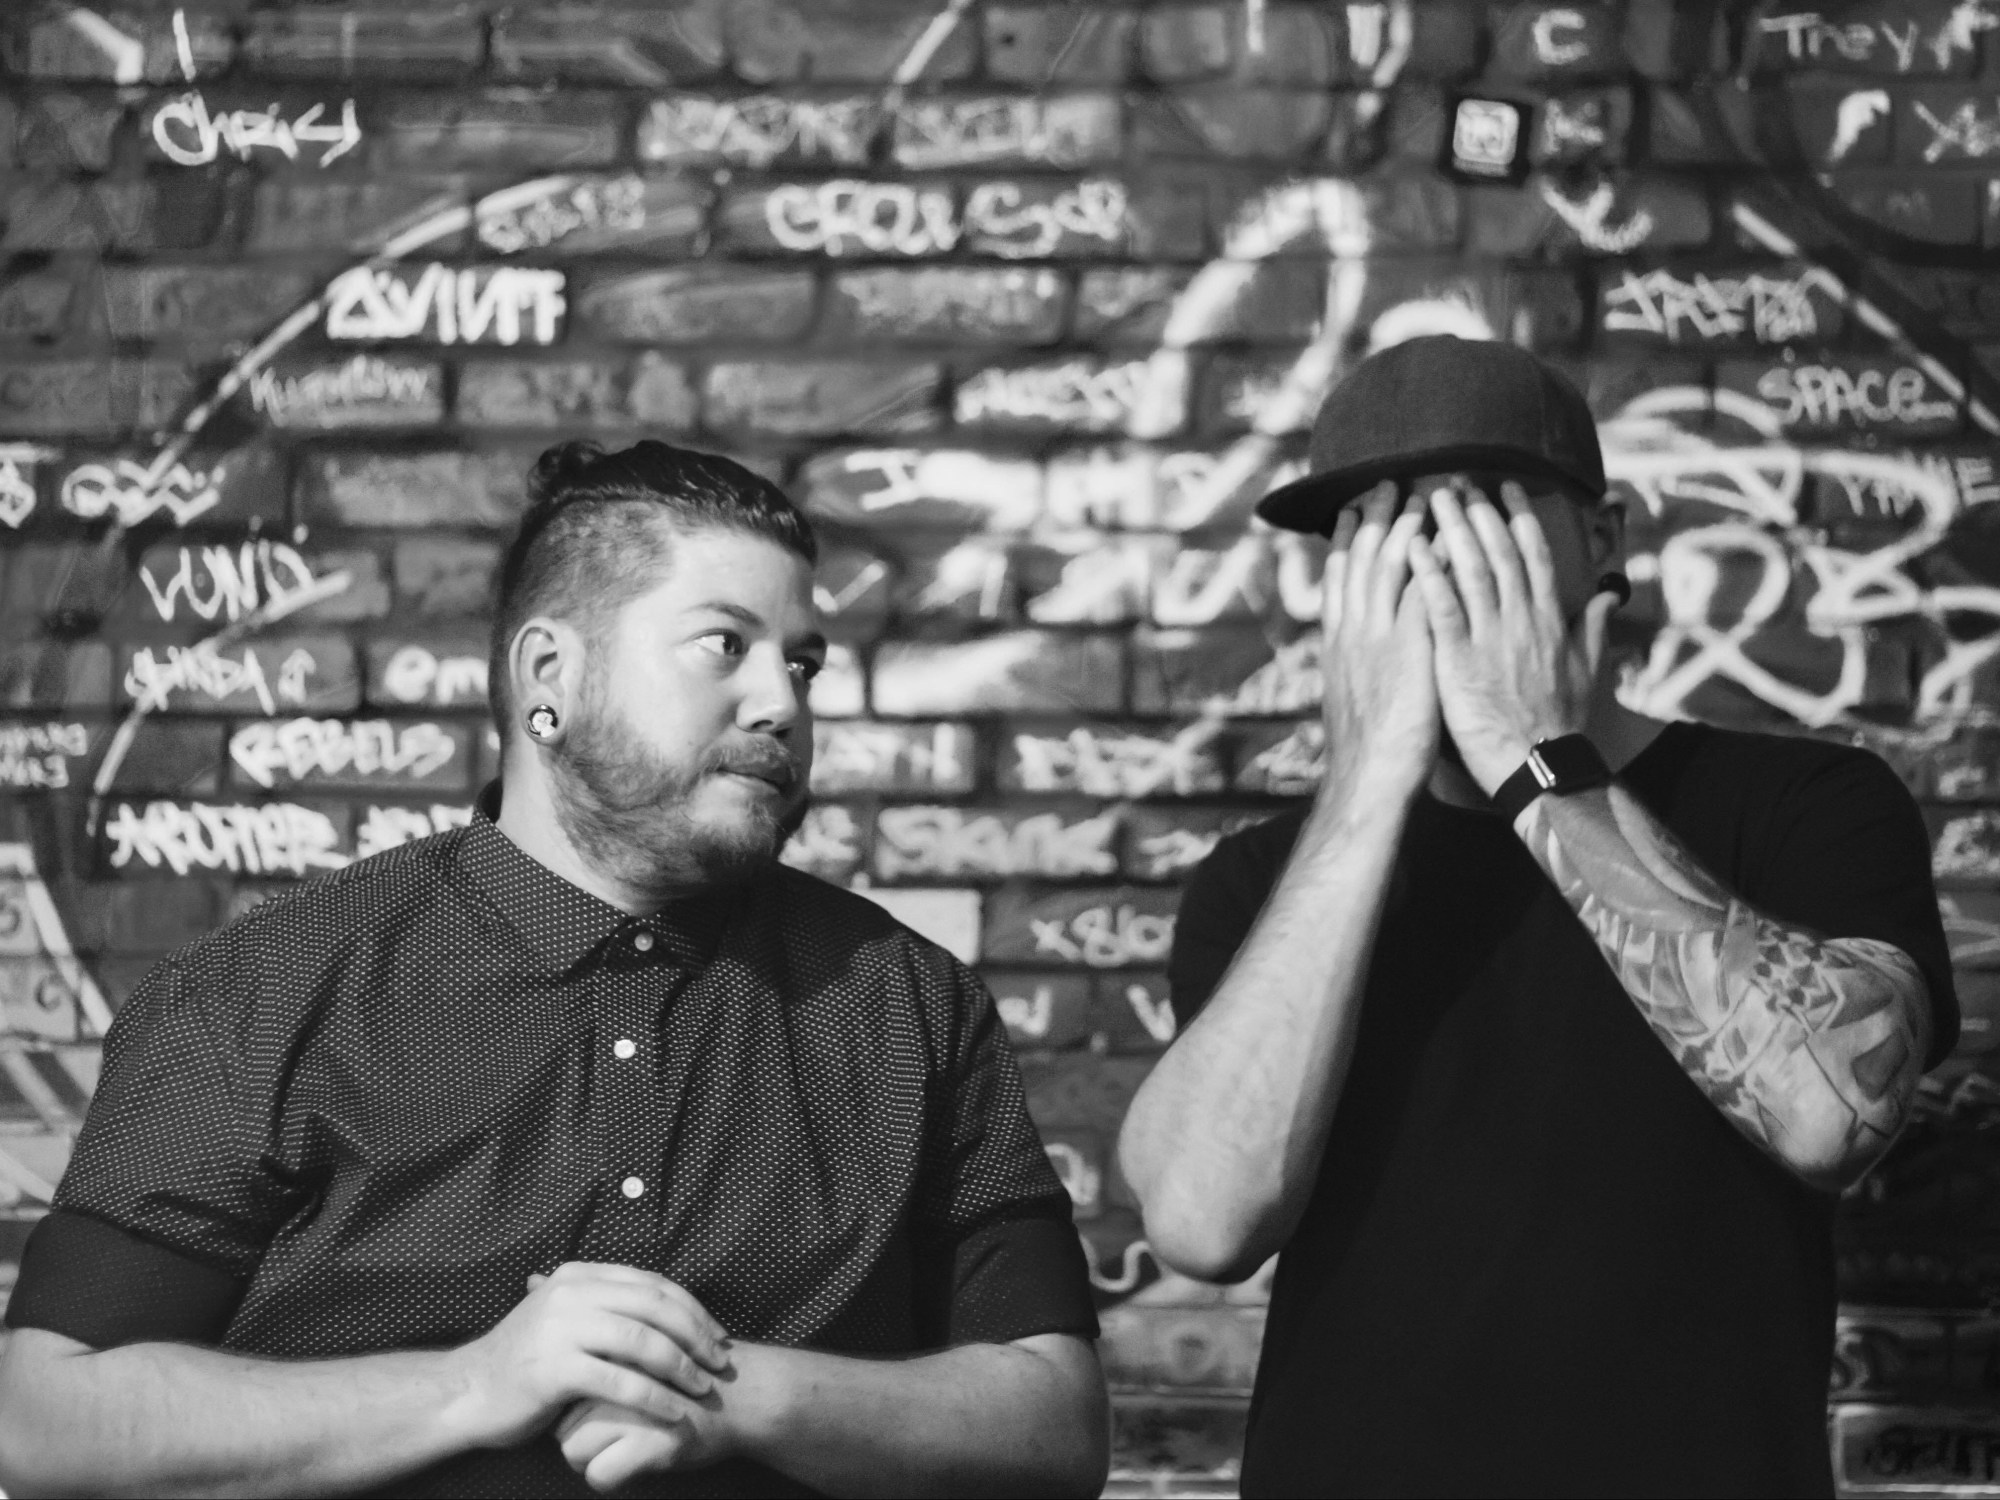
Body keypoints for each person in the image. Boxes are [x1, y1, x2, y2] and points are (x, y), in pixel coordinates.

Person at [0, 440, 1109, 1499]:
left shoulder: (908, 1004)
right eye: (724, 645)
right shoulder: (267, 991)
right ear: (550, 674)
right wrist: (474, 1386)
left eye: (801, 663)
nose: (783, 703)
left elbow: (1056, 1425)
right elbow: (48, 1421)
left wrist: (738, 1396)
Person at [1117, 335, 1957, 1498]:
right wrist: (1364, 782)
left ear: (1600, 542)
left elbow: (1829, 1118)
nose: (1430, 567)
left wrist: (1533, 756)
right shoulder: (1263, 880)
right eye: (1377, 531)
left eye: (1475, 516)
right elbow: (1204, 1224)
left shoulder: (1804, 806)